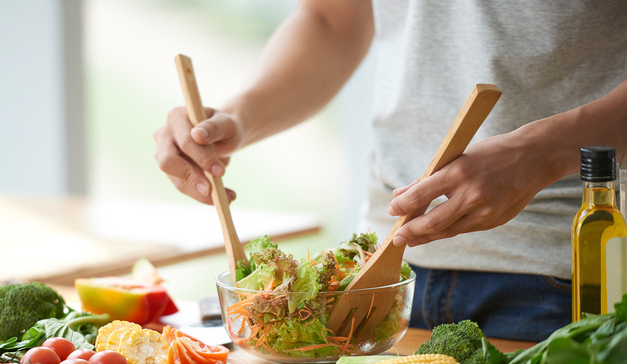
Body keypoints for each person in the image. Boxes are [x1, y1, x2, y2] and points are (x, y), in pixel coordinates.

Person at [153, 1, 627, 342]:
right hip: (382, 275)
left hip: (566, 272)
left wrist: (546, 152)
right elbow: (332, 20)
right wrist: (238, 118)